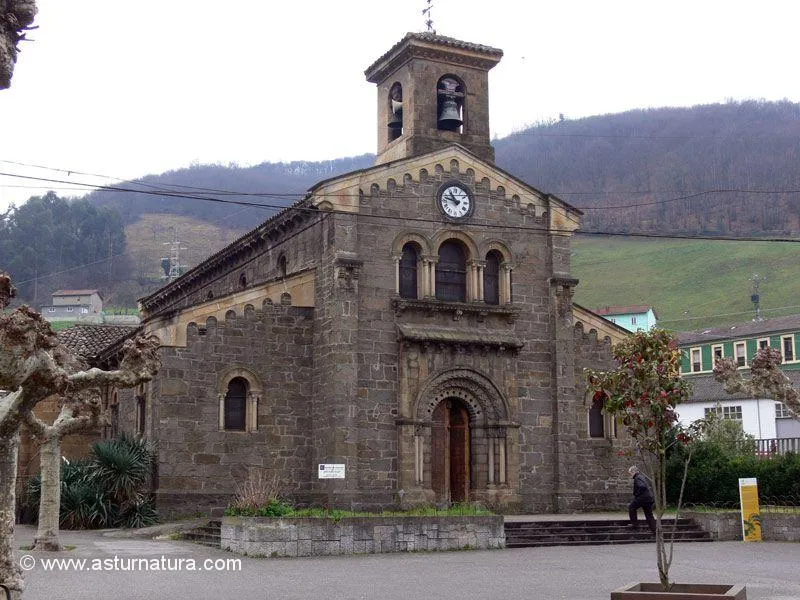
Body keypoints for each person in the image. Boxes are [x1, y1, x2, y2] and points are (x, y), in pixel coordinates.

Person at [628, 465, 656, 534]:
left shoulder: (637, 478)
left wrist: (637, 494)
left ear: (633, 472)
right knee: (649, 514)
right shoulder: (642, 477)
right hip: (649, 498)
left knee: (631, 507)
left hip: (643, 498)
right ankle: (654, 530)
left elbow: (642, 487)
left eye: (630, 473)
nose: (630, 475)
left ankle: (634, 524)